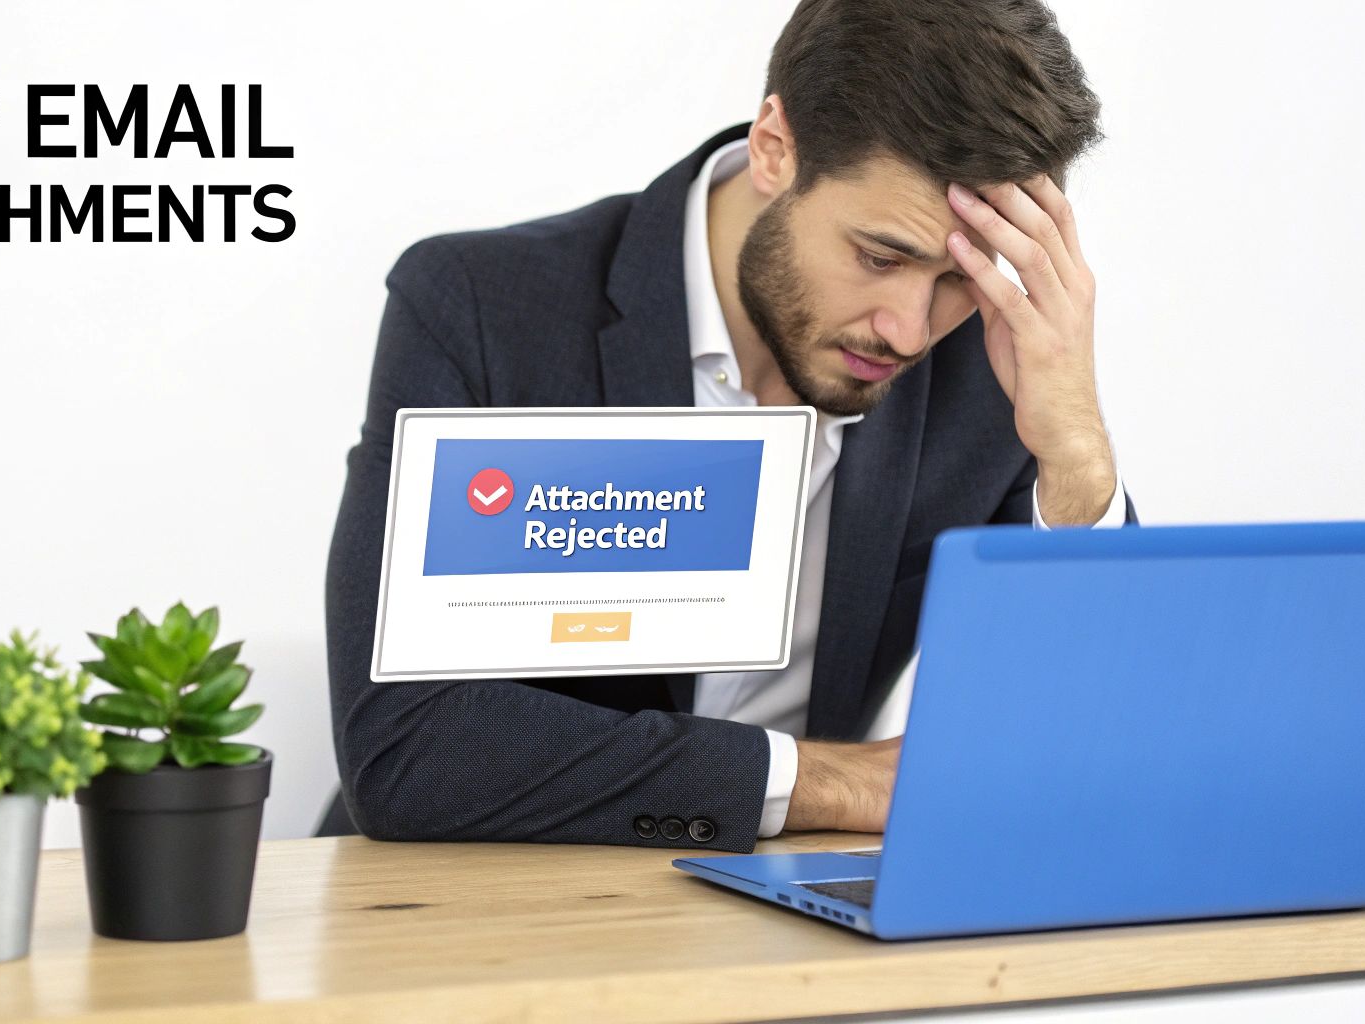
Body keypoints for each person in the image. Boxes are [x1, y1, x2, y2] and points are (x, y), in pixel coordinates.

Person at [322, 0, 1135, 852]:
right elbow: (408, 748)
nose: (907, 329)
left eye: (958, 278)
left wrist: (1074, 451)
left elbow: (1088, 743)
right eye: (881, 256)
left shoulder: (993, 366)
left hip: (781, 925)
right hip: (469, 903)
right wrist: (830, 782)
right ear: (775, 150)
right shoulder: (481, 307)